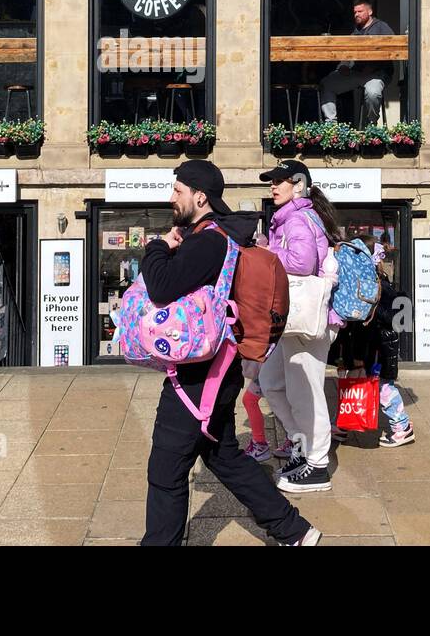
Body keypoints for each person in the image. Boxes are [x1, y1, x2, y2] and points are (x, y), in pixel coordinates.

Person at [139, 160, 319, 546]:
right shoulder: (219, 236)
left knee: (166, 469)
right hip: (219, 368)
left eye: (178, 191)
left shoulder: (210, 240)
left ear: (199, 196)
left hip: (198, 377)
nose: (172, 197)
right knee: (224, 457)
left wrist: (157, 247)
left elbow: (161, 286)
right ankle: (294, 531)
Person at [256, 159, 341, 494]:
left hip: (309, 320)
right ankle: (303, 445)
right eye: (272, 181)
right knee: (272, 382)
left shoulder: (297, 219)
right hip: (292, 320)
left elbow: (302, 264)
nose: (274, 186)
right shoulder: (289, 218)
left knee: (306, 392)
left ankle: (318, 465)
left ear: (299, 184)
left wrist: (266, 251)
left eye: (280, 181)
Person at [331, 275, 415, 448]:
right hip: (378, 349)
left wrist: (358, 357)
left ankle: (402, 426)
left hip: (377, 351)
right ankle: (342, 424)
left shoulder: (369, 289)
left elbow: (365, 327)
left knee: (382, 387)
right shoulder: (377, 285)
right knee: (355, 385)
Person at [319, 0, 395, 123]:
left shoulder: (382, 27)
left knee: (372, 93)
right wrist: (342, 66)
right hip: (356, 73)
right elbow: (348, 53)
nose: (356, 15)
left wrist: (374, 66)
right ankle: (331, 126)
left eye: (360, 11)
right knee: (327, 84)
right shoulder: (355, 31)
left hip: (377, 74)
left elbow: (392, 51)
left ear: (370, 12)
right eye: (355, 12)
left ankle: (372, 127)